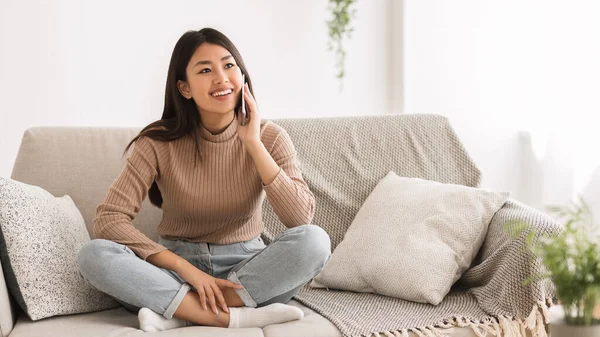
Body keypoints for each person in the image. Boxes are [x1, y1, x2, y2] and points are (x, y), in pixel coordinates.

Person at [77, 27, 331, 332]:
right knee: (94, 255)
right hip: (173, 272)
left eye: (228, 65)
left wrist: (252, 142)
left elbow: (300, 218)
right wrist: (185, 270)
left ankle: (183, 312)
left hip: (248, 273)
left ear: (242, 75)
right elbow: (108, 219)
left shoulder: (271, 138)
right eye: (205, 70)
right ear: (184, 88)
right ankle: (231, 317)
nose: (221, 78)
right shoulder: (156, 142)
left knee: (315, 241)